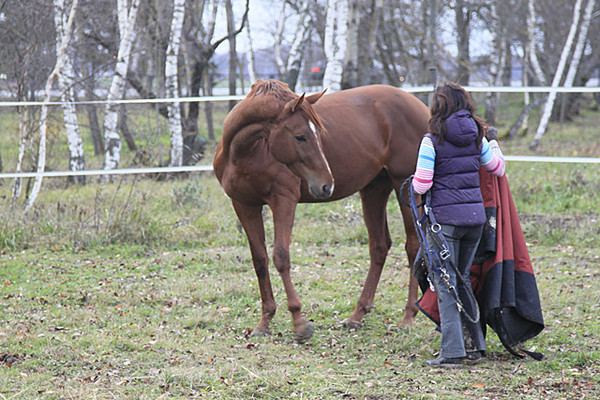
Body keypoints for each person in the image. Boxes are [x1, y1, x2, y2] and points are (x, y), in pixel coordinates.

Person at [412, 82, 505, 368]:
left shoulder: (432, 139)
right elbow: (497, 168)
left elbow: (422, 182)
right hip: (474, 221)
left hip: (444, 223)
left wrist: (413, 180)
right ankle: (476, 346)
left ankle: (452, 352)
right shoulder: (478, 137)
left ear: (438, 106)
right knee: (461, 279)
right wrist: (494, 143)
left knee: (444, 283)